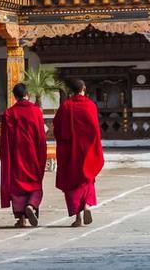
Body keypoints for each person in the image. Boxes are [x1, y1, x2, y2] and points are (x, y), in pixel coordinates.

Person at [53, 78, 105, 227]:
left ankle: (77, 218)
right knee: (86, 178)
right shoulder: (90, 105)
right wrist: (94, 147)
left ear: (71, 91)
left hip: (70, 152)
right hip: (87, 150)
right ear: (84, 89)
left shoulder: (65, 106)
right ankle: (87, 205)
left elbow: (57, 129)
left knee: (72, 182)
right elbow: (95, 129)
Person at [0, 82, 49, 227]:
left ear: (14, 96)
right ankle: (31, 206)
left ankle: (21, 219)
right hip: (33, 155)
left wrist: (6, 157)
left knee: (18, 188)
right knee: (35, 184)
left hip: (16, 156)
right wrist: (42, 156)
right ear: (28, 95)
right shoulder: (36, 111)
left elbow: (5, 140)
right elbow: (41, 136)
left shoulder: (9, 113)